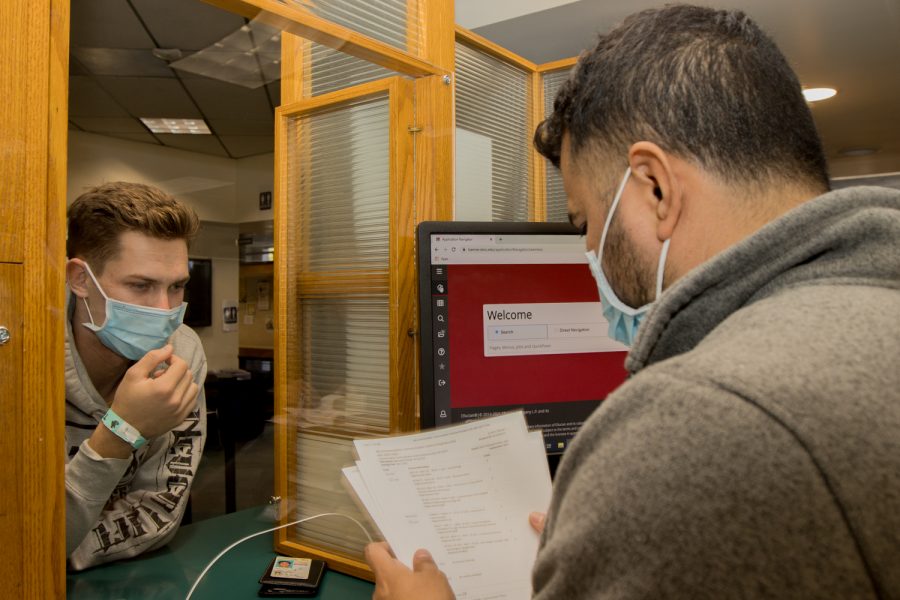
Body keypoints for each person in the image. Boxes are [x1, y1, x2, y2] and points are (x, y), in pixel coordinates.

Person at [366, 4, 900, 598]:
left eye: (583, 223)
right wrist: (616, 549)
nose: (588, 248)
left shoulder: (692, 423)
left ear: (654, 188)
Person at [64, 182, 208, 570]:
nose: (164, 310)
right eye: (141, 285)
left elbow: (159, 508)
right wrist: (120, 432)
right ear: (80, 280)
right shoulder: (18, 358)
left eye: (177, 287)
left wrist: (59, 550)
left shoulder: (184, 351)